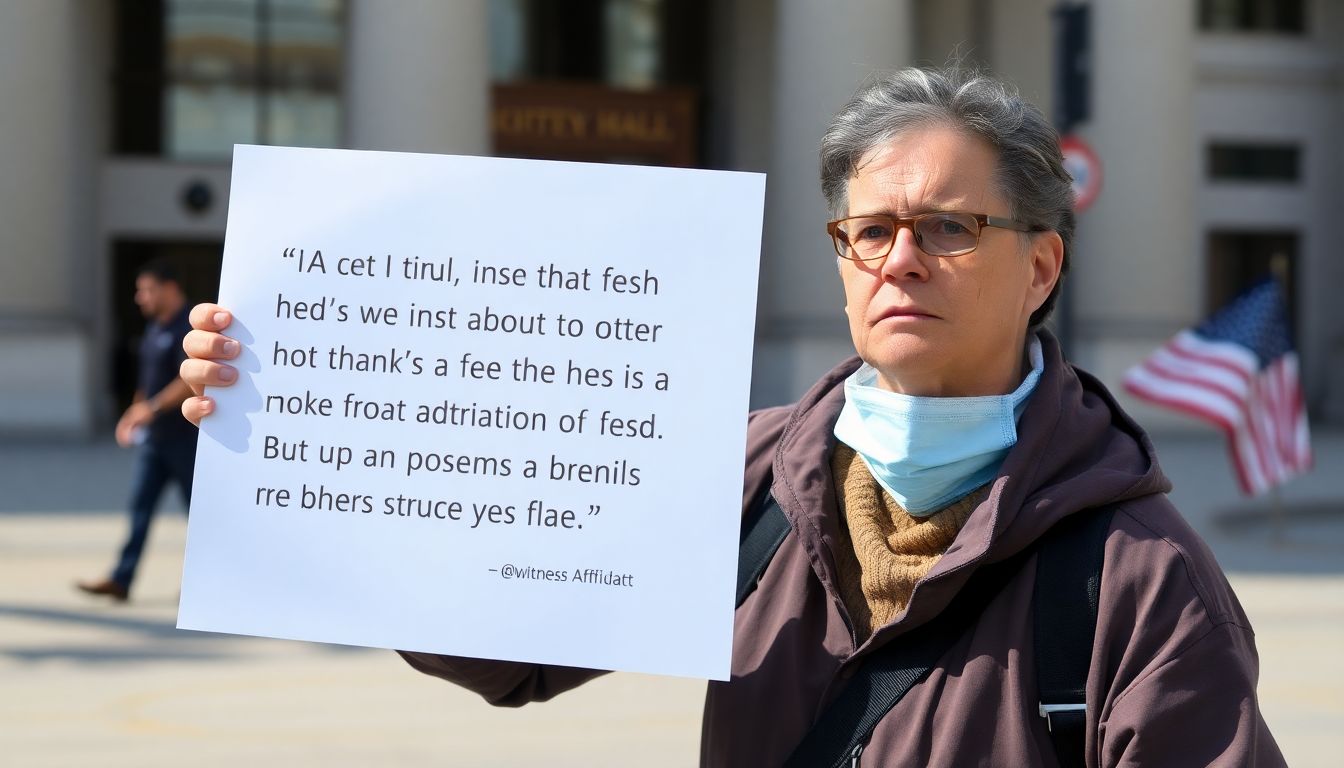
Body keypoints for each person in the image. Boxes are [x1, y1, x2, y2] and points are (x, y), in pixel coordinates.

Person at [178, 68, 1285, 766]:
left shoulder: (1138, 578)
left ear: (1041, 265)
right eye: (870, 230)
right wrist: (298, 420)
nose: (900, 260)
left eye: (949, 227)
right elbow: (510, 654)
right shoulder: (742, 472)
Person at [78, 261, 197, 602]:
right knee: (139, 510)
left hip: (186, 441)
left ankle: (202, 582)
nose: (139, 297)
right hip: (155, 443)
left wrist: (153, 408)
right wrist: (134, 413)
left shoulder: (189, 326)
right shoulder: (154, 328)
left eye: (147, 289)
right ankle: (121, 579)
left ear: (170, 288)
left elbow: (190, 379)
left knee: (200, 518)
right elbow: (148, 381)